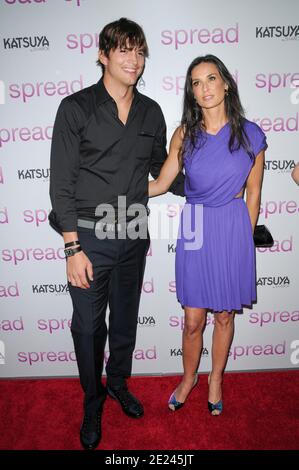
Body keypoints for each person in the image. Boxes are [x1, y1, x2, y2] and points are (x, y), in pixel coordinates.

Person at [49, 18, 184, 450]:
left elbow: (163, 173)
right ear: (103, 55)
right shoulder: (76, 108)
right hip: (88, 238)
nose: (134, 59)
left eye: (139, 51)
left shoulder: (152, 112)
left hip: (134, 234)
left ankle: (118, 384)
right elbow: (61, 184)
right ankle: (93, 401)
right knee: (88, 329)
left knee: (124, 321)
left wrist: (205, 170)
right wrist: (72, 246)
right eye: (124, 50)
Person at [149, 54, 267, 416]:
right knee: (192, 320)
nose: (205, 88)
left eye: (211, 79)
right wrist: (114, 188)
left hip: (232, 226)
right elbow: (162, 184)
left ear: (226, 83)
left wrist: (243, 242)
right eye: (196, 83)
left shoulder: (251, 134)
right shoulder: (185, 134)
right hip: (196, 226)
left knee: (226, 317)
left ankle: (215, 377)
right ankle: (189, 378)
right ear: (192, 93)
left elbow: (254, 194)